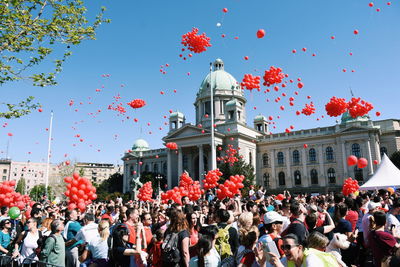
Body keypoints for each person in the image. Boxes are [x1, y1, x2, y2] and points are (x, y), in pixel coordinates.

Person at [268, 234, 339, 267]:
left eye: (288, 247)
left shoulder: (311, 258)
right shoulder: (286, 260)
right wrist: (261, 262)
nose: (285, 250)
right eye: (283, 247)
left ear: (299, 248)